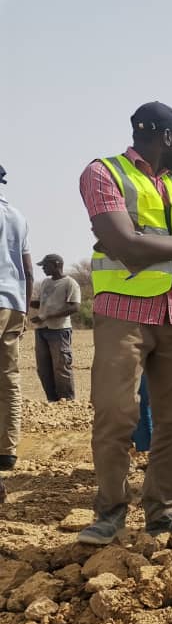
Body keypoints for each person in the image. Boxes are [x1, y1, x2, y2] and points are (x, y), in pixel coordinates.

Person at [76, 101, 172, 545]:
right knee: (115, 415)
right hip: (123, 313)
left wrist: (152, 241)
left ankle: (161, 511)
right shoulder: (103, 173)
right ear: (165, 137)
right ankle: (109, 514)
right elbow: (127, 248)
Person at [0, 164, 32, 471]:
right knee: (8, 378)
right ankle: (7, 450)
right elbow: (28, 267)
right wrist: (23, 306)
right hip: (12, 302)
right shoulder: (17, 217)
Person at [30, 254, 80, 401]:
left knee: (61, 367)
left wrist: (47, 316)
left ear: (56, 264)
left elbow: (75, 307)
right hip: (41, 330)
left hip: (59, 330)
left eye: (46, 266)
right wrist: (26, 300)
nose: (43, 269)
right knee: (44, 369)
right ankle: (52, 400)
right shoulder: (46, 282)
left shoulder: (70, 283)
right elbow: (42, 303)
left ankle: (67, 402)